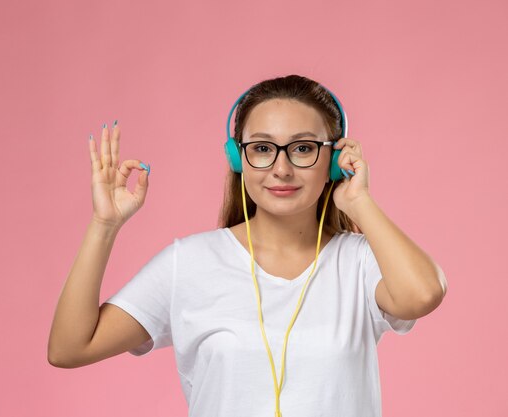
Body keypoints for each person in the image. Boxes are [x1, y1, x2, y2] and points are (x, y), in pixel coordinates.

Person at [47, 74, 448, 417]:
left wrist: (358, 199)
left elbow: (423, 295)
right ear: (237, 159)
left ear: (332, 160)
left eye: (304, 148)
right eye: (261, 148)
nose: (281, 167)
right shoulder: (189, 262)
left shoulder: (360, 261)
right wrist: (104, 225)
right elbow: (69, 347)